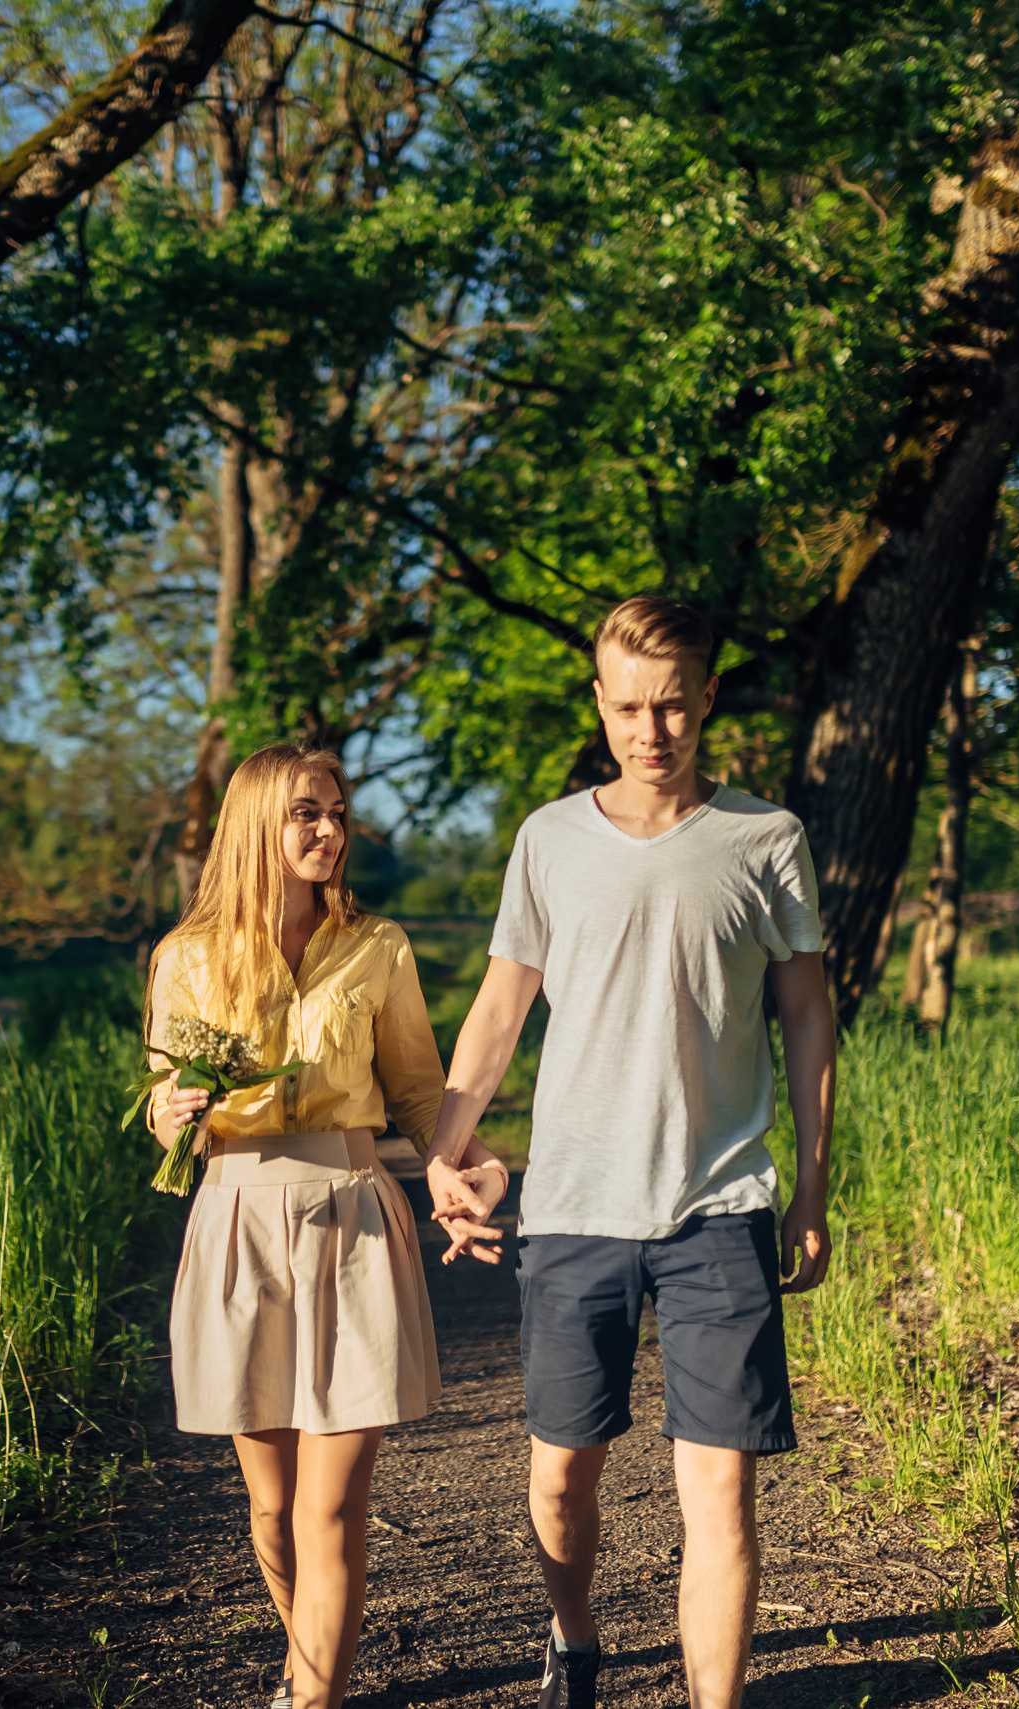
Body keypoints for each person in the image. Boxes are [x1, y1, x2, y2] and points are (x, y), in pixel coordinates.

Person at [423, 596, 837, 1709]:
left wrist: (810, 1181)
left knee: (722, 1496)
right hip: (572, 1207)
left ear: (706, 698)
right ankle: (573, 1636)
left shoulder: (766, 838)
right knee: (560, 1477)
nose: (650, 729)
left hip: (722, 1204)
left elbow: (807, 1015)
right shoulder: (548, 840)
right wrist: (444, 1145)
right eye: (627, 707)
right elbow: (501, 1008)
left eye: (671, 704)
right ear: (598, 705)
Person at [148, 742, 505, 1709]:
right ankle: (307, 1658)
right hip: (235, 1224)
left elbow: (425, 1097)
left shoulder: (378, 947)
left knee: (332, 1508)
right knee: (272, 1511)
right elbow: (164, 1103)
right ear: (258, 823)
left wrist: (474, 1166)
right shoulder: (184, 958)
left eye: (338, 812)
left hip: (352, 1218)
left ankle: (317, 1699)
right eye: (308, 812)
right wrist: (169, 1114)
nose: (330, 831)